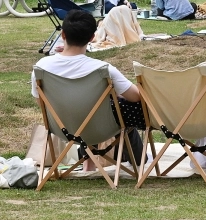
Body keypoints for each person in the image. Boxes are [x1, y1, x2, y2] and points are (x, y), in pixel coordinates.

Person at [31, 10, 144, 168]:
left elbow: (42, 104)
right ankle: (139, 160)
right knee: (126, 106)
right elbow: (136, 97)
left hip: (60, 127)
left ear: (63, 35)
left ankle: (89, 161)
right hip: (101, 128)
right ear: (92, 37)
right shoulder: (103, 70)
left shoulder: (41, 69)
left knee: (100, 105)